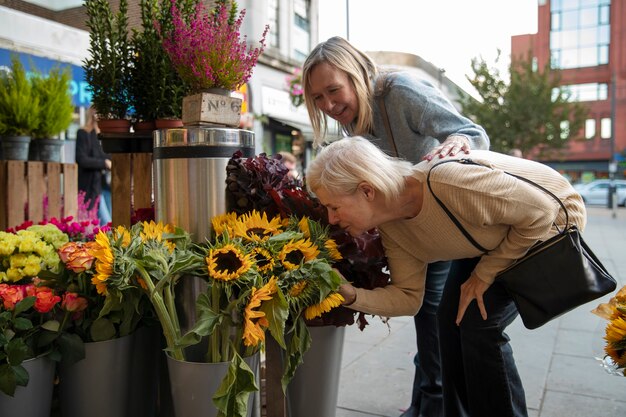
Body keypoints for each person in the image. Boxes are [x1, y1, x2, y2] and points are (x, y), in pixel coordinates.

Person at [306, 136, 586, 417]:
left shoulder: (448, 183)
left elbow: (541, 211)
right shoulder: (393, 226)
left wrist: (484, 274)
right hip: (495, 237)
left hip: (554, 224)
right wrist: (351, 295)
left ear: (367, 191)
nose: (331, 219)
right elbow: (408, 298)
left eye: (334, 207)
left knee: (479, 323)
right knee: (449, 321)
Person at [301, 36, 490, 417]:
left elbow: (473, 134)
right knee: (428, 320)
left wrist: (456, 142)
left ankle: (434, 406)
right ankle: (424, 403)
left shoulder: (399, 92)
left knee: (434, 319)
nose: (328, 105)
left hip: (438, 219)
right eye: (317, 97)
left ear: (356, 75)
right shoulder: (349, 122)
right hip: (402, 228)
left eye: (333, 90)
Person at [75, 106, 112, 226]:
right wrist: (104, 163)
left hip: (107, 186)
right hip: (91, 186)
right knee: (107, 223)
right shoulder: (84, 133)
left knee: (111, 222)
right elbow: (81, 159)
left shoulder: (108, 136)